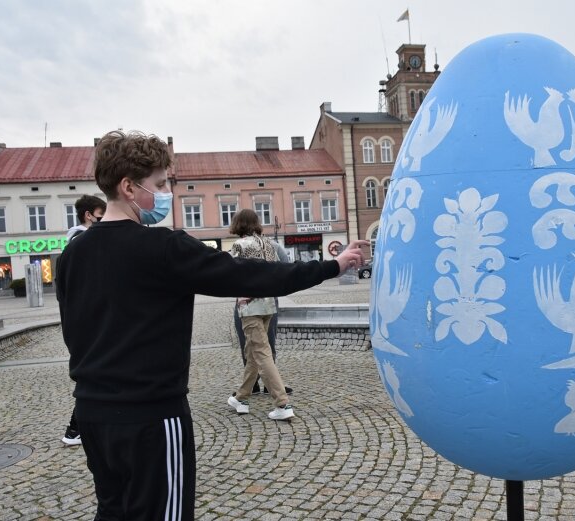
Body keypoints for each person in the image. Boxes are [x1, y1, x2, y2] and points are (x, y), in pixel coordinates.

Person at [55, 130, 367, 519]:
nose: (167, 193)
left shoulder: (72, 255)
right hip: (151, 416)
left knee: (113, 511)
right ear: (128, 188)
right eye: (160, 183)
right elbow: (254, 276)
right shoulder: (164, 248)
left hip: (93, 413)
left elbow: (74, 334)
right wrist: (332, 266)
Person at [227, 210, 293, 419]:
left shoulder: (240, 245)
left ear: (238, 225)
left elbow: (230, 274)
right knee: (252, 352)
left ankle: (282, 404)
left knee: (261, 353)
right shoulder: (268, 244)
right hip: (268, 305)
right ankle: (242, 397)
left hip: (250, 307)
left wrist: (242, 293)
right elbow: (279, 271)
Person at [61, 194, 106, 447]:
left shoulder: (76, 241)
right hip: (88, 323)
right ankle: (74, 430)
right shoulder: (83, 242)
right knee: (92, 377)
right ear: (89, 215)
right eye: (100, 215)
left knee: (93, 376)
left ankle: (78, 428)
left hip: (83, 322)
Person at [232, 235, 290, 395]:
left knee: (255, 346)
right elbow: (284, 268)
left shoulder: (240, 245)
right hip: (267, 301)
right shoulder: (272, 245)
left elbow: (231, 273)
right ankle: (250, 388)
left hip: (249, 303)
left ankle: (274, 392)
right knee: (260, 346)